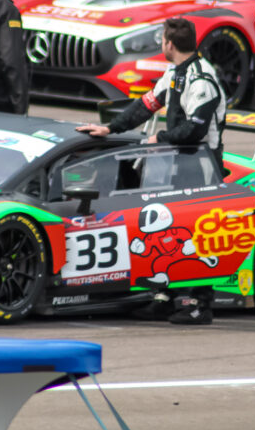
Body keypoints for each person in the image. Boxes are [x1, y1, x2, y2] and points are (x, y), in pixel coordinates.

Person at [77, 17, 225, 325]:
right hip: (174, 164)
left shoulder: (202, 79)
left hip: (201, 165)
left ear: (169, 44)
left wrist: (160, 138)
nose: (161, 45)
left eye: (162, 41)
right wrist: (110, 128)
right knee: (165, 231)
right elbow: (145, 105)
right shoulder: (174, 73)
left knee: (194, 235)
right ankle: (165, 297)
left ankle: (198, 304)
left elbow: (195, 130)